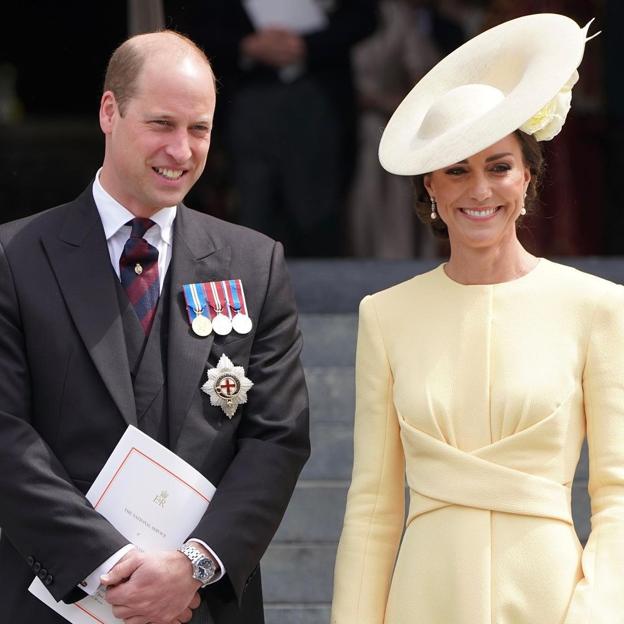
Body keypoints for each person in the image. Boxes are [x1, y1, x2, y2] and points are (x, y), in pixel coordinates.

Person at [0, 31, 309, 624]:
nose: (182, 149)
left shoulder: (254, 263)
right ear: (109, 111)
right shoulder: (17, 258)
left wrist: (193, 566)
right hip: (57, 599)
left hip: (200, 603)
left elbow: (277, 437)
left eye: (199, 129)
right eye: (162, 124)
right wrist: (106, 564)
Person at [331, 14, 623, 624]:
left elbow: (618, 497)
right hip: (424, 600)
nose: (479, 189)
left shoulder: (596, 308)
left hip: (554, 601)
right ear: (430, 188)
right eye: (456, 170)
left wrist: (594, 614)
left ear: (528, 178)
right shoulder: (385, 316)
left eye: (498, 166)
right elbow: (373, 508)